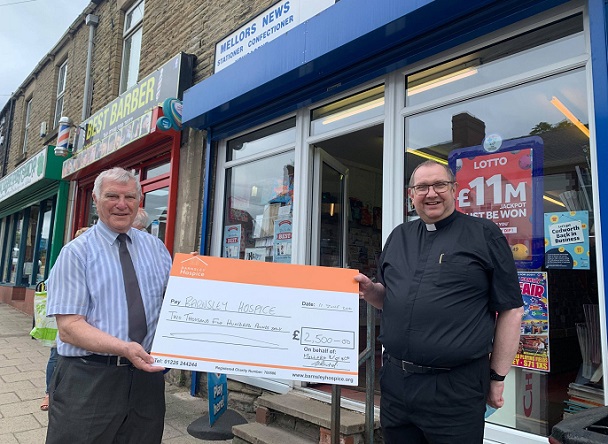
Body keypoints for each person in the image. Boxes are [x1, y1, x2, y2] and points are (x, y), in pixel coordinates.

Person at [355, 160, 524, 444]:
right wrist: (370, 290)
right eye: (421, 187)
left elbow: (511, 310)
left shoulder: (484, 234)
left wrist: (497, 378)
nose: (431, 193)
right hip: (396, 384)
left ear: (455, 189)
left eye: (439, 185)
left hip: (455, 388)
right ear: (411, 195)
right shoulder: (399, 236)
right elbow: (391, 299)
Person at [45, 167, 172, 443]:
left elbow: (172, 305)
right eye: (112, 196)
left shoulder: (157, 249)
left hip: (146, 381)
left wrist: (197, 277)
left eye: (129, 197)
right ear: (95, 199)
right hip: (89, 378)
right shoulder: (76, 254)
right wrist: (124, 348)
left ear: (140, 201)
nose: (121, 204)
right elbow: (69, 328)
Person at [40, 226, 90, 412]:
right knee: (57, 355)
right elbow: (50, 284)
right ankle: (49, 392)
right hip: (63, 319)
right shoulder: (68, 256)